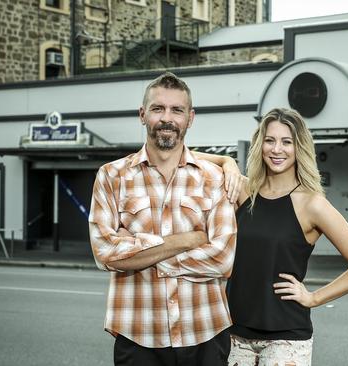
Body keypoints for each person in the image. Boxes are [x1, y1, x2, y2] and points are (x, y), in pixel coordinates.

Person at [197, 107, 348, 366]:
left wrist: (314, 298)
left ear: (299, 147)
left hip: (286, 338)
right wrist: (227, 162)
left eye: (287, 142)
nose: (276, 149)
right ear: (260, 145)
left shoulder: (312, 204)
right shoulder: (243, 191)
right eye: (269, 140)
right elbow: (184, 157)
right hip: (235, 333)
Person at [88, 72, 238, 366]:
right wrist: (189, 240)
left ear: (190, 118)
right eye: (158, 109)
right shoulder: (112, 176)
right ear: (142, 115)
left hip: (205, 332)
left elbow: (222, 259)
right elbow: (105, 253)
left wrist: (138, 254)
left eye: (177, 110)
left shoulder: (215, 178)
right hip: (138, 335)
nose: (167, 118)